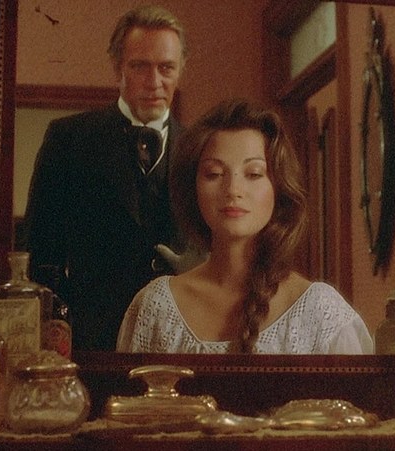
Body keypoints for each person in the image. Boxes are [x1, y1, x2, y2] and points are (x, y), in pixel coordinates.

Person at [116, 99, 373, 354]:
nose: (233, 190)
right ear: (192, 188)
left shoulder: (322, 314)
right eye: (214, 174)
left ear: (279, 187)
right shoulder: (155, 307)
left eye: (254, 174)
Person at [24, 5, 188, 351]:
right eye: (140, 66)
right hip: (91, 339)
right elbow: (41, 252)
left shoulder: (200, 148)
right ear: (117, 68)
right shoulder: (68, 139)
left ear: (180, 70)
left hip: (180, 334)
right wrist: (62, 329)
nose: (154, 81)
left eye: (166, 68)